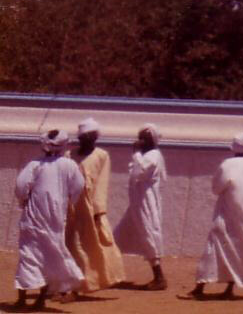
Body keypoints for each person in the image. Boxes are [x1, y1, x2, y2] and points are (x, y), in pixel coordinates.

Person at [190, 131, 243, 301]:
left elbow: (216, 188)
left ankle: (200, 287)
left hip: (228, 211)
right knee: (241, 248)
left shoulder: (227, 164)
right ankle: (229, 288)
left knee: (215, 244)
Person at [14, 128, 85, 309]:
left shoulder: (35, 164)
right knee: (50, 254)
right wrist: (69, 200)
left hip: (33, 217)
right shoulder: (69, 165)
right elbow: (78, 186)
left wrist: (23, 200)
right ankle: (40, 299)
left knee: (28, 254)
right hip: (55, 217)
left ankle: (22, 299)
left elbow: (21, 185)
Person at [65, 117, 124, 293]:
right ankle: (71, 284)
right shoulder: (70, 155)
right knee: (71, 244)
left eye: (91, 137)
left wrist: (98, 210)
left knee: (92, 245)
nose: (87, 140)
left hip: (90, 208)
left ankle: (90, 282)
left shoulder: (102, 155)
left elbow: (102, 183)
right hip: (70, 206)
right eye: (84, 137)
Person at [114, 125, 167, 290]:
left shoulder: (153, 155)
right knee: (117, 238)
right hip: (137, 203)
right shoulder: (145, 155)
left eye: (144, 138)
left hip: (146, 203)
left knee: (148, 234)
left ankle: (159, 277)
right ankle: (107, 272)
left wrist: (136, 153)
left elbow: (141, 172)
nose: (140, 140)